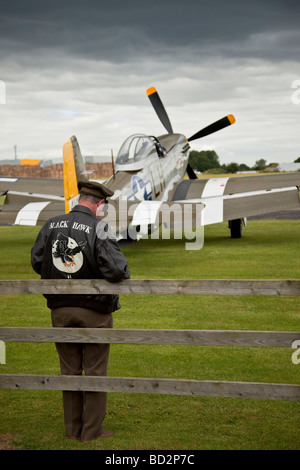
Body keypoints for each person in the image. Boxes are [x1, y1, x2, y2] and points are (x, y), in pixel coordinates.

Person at [31, 180, 130, 442]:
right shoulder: (99, 227)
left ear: (79, 199)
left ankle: (72, 430)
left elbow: (37, 260)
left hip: (60, 310)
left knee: (69, 371)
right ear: (99, 203)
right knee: (95, 371)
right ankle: (91, 432)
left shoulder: (51, 224)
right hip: (94, 310)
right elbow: (118, 270)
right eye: (102, 206)